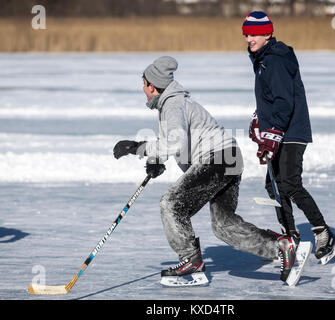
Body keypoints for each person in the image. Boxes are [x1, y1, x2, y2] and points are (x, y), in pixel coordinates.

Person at [113, 56, 298, 285]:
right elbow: (177, 141)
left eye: (144, 84)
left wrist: (137, 147)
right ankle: (280, 246)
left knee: (171, 204)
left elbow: (175, 141)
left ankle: (191, 259)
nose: (143, 89)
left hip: (217, 158)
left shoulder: (172, 104)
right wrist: (157, 159)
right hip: (229, 157)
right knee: (223, 225)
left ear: (153, 86)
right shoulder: (173, 103)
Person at [243, 11, 335, 262]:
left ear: (267, 33)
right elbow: (271, 98)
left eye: (254, 34)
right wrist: (259, 120)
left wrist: (272, 132)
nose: (249, 39)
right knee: (273, 184)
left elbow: (284, 101)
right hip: (281, 129)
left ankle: (322, 233)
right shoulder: (264, 59)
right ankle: (291, 236)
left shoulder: (274, 60)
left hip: (290, 131)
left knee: (288, 183)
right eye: (246, 34)